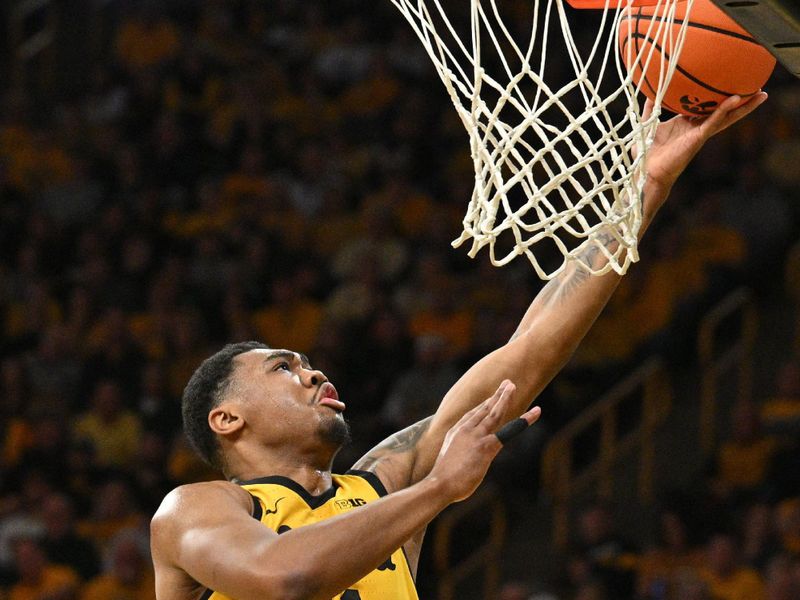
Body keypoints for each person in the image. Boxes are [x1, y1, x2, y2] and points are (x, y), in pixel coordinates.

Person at [151, 93, 768, 600]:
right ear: (226, 418)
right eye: (284, 368)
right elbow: (283, 577)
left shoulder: (379, 486)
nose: (313, 375)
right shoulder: (194, 510)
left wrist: (643, 188)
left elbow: (526, 353)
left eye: (309, 364)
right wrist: (439, 488)